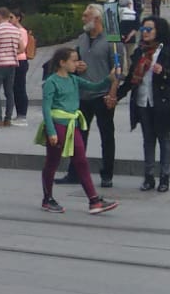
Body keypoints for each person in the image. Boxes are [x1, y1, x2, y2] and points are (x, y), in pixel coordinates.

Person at [37, 47, 119, 215]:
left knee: (81, 160)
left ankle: (94, 200)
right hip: (57, 125)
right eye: (73, 60)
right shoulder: (51, 82)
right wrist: (51, 131)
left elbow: (95, 87)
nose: (77, 63)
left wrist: (109, 79)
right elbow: (46, 108)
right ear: (62, 63)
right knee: (52, 162)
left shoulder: (74, 80)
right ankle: (48, 198)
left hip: (72, 124)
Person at [116, 17, 170, 191]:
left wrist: (163, 72)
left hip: (162, 101)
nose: (145, 33)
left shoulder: (169, 51)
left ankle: (164, 177)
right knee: (148, 140)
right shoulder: (140, 51)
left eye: (149, 29)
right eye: (144, 29)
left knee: (164, 139)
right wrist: (116, 96)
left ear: (158, 31)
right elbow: (132, 79)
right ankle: (149, 177)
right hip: (142, 101)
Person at [65, 4, 122, 188]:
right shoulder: (82, 39)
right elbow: (73, 62)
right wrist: (76, 66)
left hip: (102, 94)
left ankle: (107, 174)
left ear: (96, 19)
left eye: (85, 16)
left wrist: (113, 93)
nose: (82, 19)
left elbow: (118, 69)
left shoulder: (112, 41)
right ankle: (74, 172)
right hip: (83, 93)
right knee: (79, 135)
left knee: (107, 135)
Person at [0, 8, 26, 126]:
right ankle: (8, 118)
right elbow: (22, 48)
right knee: (9, 92)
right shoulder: (16, 30)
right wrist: (12, 52)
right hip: (12, 64)